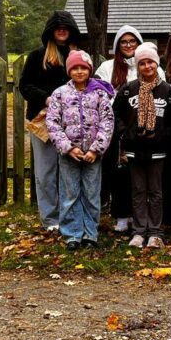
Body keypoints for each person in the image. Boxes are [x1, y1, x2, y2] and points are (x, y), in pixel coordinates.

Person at [18, 11, 83, 232]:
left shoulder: (79, 57)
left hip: (73, 122)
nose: (62, 31)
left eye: (65, 27)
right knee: (46, 172)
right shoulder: (38, 56)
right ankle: (50, 218)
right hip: (43, 121)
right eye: (57, 28)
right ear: (51, 31)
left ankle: (69, 214)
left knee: (70, 170)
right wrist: (47, 98)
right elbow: (25, 86)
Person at [95, 25, 163, 235]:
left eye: (132, 41)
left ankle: (141, 217)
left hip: (146, 130)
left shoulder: (150, 64)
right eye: (123, 42)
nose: (128, 45)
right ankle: (121, 214)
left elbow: (161, 93)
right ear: (117, 46)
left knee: (144, 178)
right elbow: (98, 93)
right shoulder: (107, 67)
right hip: (119, 127)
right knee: (120, 172)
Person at [44, 50, 114, 249]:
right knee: (70, 193)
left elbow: (107, 121)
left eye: (83, 67)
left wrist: (96, 149)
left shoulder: (99, 93)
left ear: (89, 70)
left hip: (93, 155)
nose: (79, 71)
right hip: (69, 155)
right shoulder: (60, 94)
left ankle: (90, 233)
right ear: (69, 70)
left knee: (91, 193)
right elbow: (52, 123)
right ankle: (72, 234)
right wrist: (68, 148)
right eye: (75, 68)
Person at [113, 43, 171, 249]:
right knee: (138, 190)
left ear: (156, 63)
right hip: (135, 148)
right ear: (138, 66)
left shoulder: (168, 91)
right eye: (142, 63)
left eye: (150, 62)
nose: (147, 66)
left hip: (158, 149)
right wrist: (126, 133)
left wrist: (164, 136)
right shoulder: (128, 90)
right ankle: (139, 231)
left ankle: (155, 232)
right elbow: (116, 114)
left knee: (156, 191)